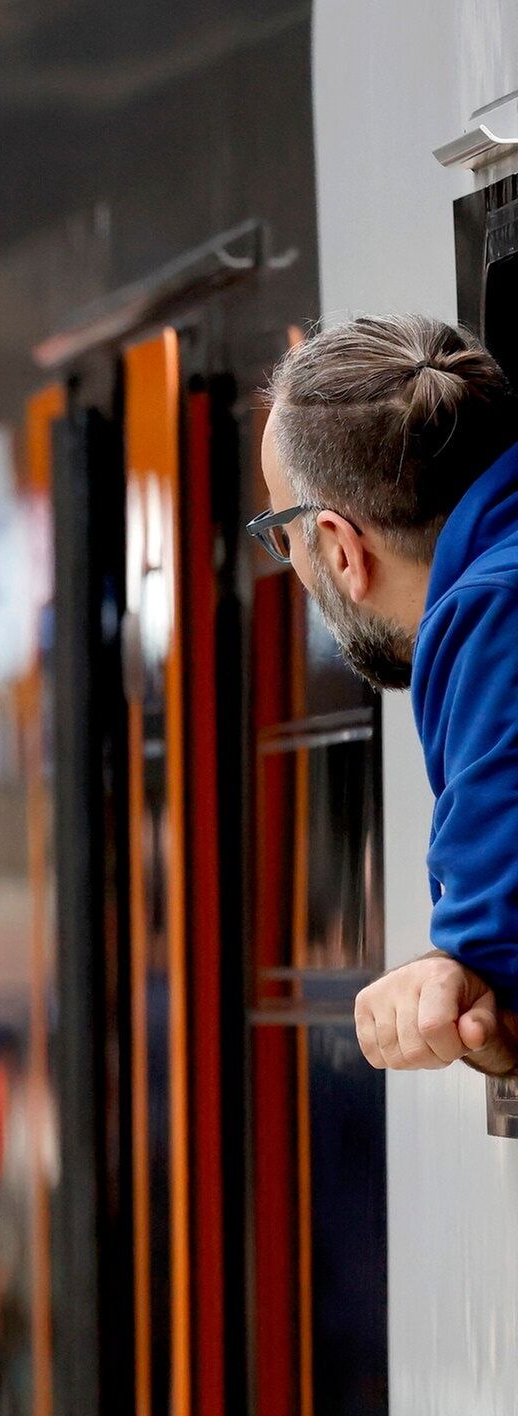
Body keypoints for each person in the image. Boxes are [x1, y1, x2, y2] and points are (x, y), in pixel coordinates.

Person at [254, 314, 518, 1075]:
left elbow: (497, 978)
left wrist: (449, 981)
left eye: (284, 535)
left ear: (341, 548)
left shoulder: (490, 615)